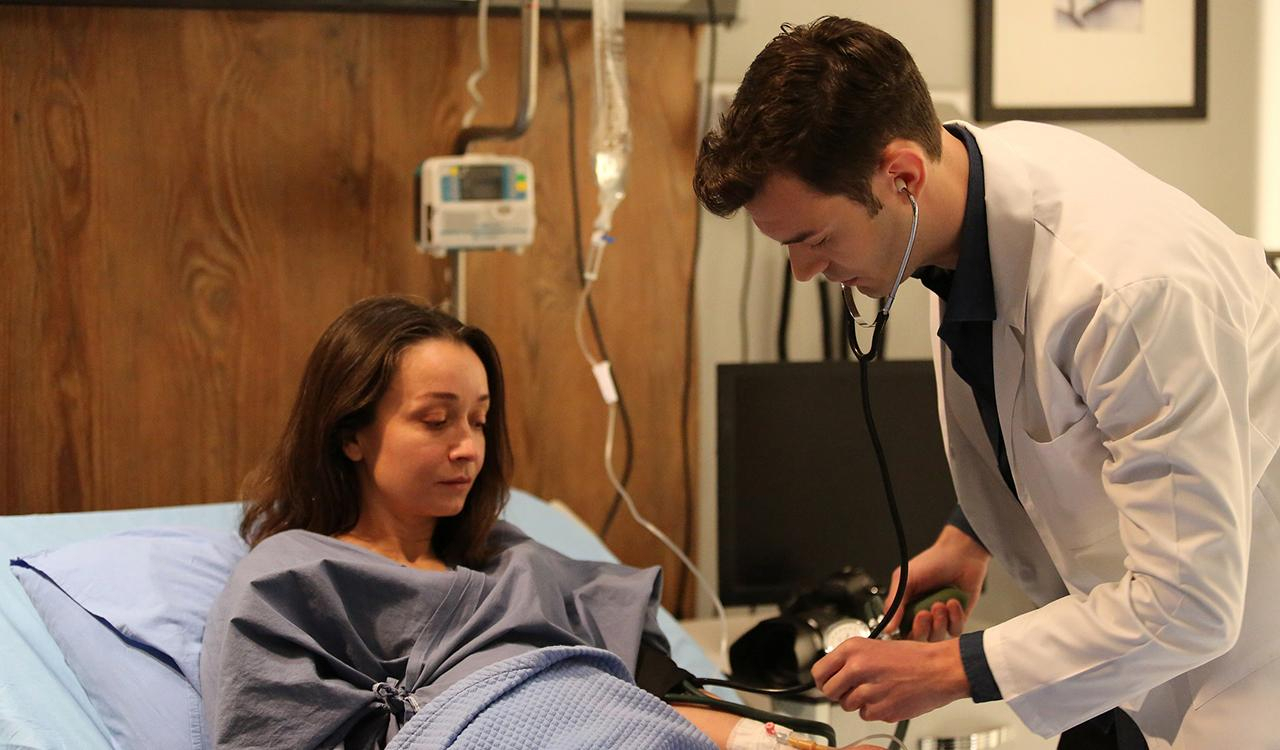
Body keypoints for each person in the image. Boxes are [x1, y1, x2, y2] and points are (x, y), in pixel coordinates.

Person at [693, 16, 1280, 750]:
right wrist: (968, 537)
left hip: (1246, 648)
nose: (805, 271)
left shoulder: (1126, 291)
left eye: (814, 239)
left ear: (903, 177)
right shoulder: (962, 195)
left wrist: (952, 668)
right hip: (1127, 633)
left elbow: (1190, 604)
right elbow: (1061, 412)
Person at [200, 295, 868, 750]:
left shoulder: (516, 561)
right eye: (435, 421)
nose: (468, 447)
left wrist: (770, 741)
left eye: (479, 420)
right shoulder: (288, 581)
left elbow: (653, 694)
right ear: (350, 433)